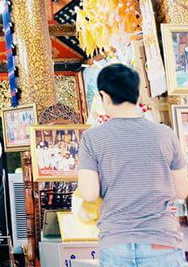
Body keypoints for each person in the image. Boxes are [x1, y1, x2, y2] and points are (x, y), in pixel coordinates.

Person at [77, 63, 188, 267]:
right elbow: (182, 190)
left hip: (116, 241)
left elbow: (90, 193)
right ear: (138, 96)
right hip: (161, 239)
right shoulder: (165, 134)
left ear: (104, 96)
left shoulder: (92, 138)